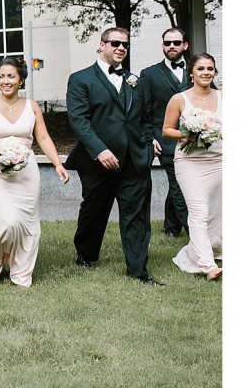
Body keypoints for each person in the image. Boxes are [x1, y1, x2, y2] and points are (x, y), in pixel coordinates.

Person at [64, 27, 163, 285]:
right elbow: (79, 120)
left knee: (136, 215)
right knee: (94, 211)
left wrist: (148, 139)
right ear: (102, 44)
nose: (121, 48)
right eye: (115, 43)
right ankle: (85, 254)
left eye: (125, 45)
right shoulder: (81, 79)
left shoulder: (135, 80)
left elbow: (145, 117)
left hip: (134, 160)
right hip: (97, 162)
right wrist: (100, 150)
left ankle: (138, 270)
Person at [0, 57, 69, 287]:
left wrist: (57, 164)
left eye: (11, 76)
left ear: (21, 80)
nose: (5, 81)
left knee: (27, 224)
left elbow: (43, 138)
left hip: (26, 172)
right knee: (7, 222)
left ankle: (21, 272)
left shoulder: (32, 106)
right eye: (2, 76)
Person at [162, 53, 222, 281]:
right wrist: (189, 133)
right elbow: (167, 129)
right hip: (190, 163)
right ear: (192, 73)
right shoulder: (179, 99)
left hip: (219, 160)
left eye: (210, 68)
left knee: (218, 213)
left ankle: (199, 252)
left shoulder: (224, 97)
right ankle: (207, 266)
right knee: (199, 212)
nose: (206, 72)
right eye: (201, 69)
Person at [139, 28, 190, 238]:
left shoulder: (198, 70)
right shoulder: (149, 74)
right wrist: (150, 137)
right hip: (166, 140)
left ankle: (171, 226)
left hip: (197, 139)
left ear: (185, 45)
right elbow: (143, 111)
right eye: (167, 43)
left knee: (180, 182)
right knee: (180, 186)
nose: (171, 46)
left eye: (176, 43)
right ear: (162, 46)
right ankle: (196, 235)